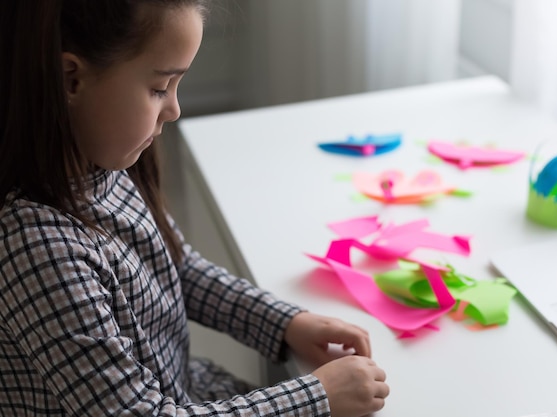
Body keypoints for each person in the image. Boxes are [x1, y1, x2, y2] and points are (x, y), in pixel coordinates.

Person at [0, 1, 389, 416]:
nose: (174, 109)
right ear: (70, 80)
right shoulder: (36, 248)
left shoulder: (100, 164)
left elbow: (176, 267)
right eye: (158, 88)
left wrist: (284, 322)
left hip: (182, 392)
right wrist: (316, 398)